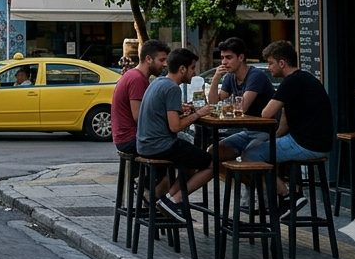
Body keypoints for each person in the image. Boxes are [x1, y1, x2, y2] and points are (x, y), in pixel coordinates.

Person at [242, 40, 335, 216]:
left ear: (282, 63)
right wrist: (274, 139)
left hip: (306, 144)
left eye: (270, 63)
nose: (268, 68)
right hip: (317, 143)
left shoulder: (291, 82)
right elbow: (285, 119)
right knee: (263, 151)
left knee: (250, 155)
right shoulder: (304, 78)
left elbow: (266, 114)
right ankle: (280, 199)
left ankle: (287, 196)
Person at [136, 47, 215, 222]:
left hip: (145, 144)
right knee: (212, 164)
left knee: (191, 161)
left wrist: (182, 111)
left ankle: (161, 198)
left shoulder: (157, 82)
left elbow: (165, 116)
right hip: (160, 145)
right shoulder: (172, 88)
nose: (194, 73)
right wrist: (198, 114)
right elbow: (175, 127)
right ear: (182, 69)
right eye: (193, 68)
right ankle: (172, 200)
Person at [207, 37, 276, 161]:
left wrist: (224, 107)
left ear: (241, 57)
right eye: (222, 58)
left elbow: (242, 107)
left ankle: (258, 179)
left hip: (265, 132)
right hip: (247, 131)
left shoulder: (256, 76)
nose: (224, 62)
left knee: (247, 157)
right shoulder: (230, 77)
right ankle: (236, 179)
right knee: (213, 152)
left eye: (228, 57)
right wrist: (215, 79)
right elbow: (213, 104)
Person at [112, 39, 171, 155]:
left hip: (128, 137)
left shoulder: (135, 75)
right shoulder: (137, 79)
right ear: (148, 59)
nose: (165, 64)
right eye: (162, 60)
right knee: (182, 142)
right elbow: (139, 116)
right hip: (131, 139)